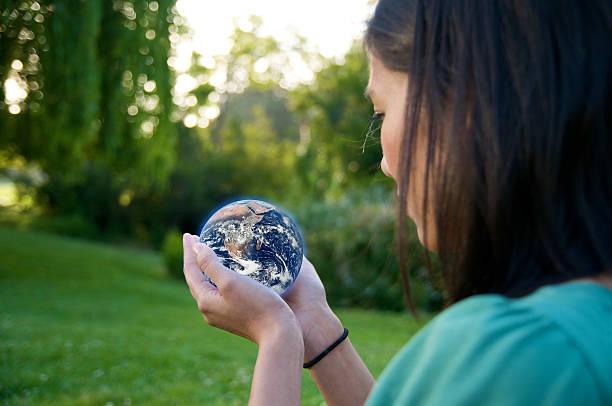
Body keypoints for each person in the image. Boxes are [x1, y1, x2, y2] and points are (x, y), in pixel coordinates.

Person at [182, 0, 612, 404]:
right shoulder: (587, 331)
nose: (386, 165)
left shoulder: (523, 354)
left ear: (465, 104)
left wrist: (276, 336)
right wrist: (313, 325)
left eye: (381, 113)